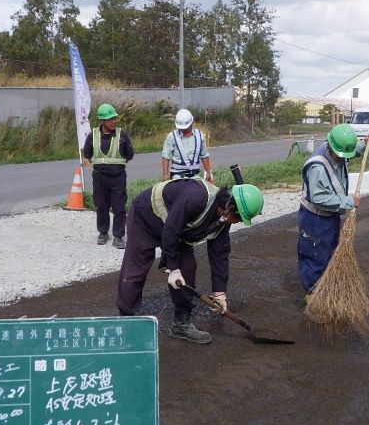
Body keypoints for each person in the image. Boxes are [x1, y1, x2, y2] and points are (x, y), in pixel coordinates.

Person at [116, 178, 264, 344]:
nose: (237, 222)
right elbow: (171, 230)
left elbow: (220, 255)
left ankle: (181, 323)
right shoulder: (196, 197)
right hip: (146, 215)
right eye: (238, 218)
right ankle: (125, 322)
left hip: (176, 227)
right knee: (136, 267)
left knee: (187, 267)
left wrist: (219, 292)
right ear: (230, 207)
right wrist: (172, 268)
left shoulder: (223, 220)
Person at [298, 124, 369, 293]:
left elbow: (349, 153)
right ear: (332, 147)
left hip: (330, 215)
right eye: (342, 155)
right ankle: (314, 296)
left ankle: (325, 288)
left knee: (328, 253)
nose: (344, 159)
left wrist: (363, 144)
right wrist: (348, 201)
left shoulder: (335, 151)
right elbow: (318, 198)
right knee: (314, 256)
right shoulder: (317, 167)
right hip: (315, 218)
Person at [82, 103, 134, 248]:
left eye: (114, 118)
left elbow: (129, 155)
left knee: (119, 206)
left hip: (118, 177)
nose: (114, 121)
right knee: (101, 206)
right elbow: (87, 154)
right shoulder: (93, 136)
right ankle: (103, 233)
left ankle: (118, 236)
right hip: (99, 177)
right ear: (102, 121)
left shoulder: (122, 135)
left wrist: (116, 166)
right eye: (110, 119)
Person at [162, 108, 214, 182]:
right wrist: (165, 175)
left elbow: (204, 155)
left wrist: (208, 172)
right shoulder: (171, 137)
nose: (182, 130)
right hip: (177, 176)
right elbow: (165, 157)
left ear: (191, 123)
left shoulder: (199, 135)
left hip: (195, 176)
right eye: (181, 128)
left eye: (185, 128)